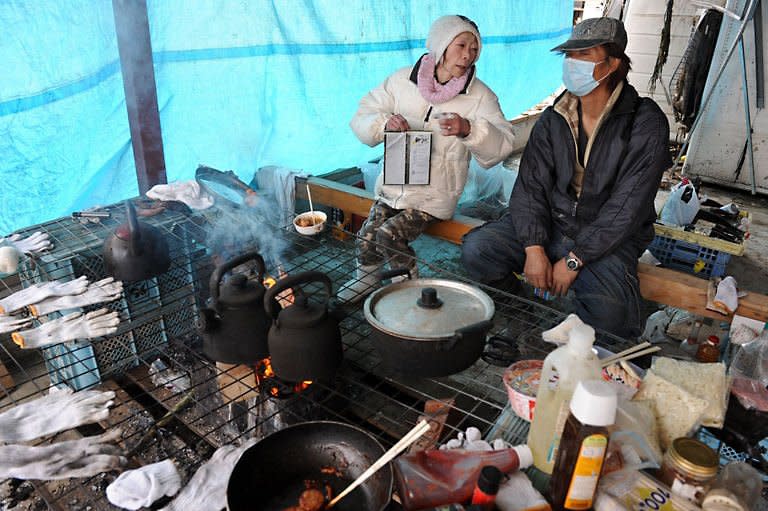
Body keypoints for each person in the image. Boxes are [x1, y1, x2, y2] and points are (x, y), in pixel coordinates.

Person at [461, 17, 671, 338]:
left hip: (608, 239)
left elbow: (626, 209)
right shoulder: (554, 118)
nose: (573, 63)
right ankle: (521, 317)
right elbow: (530, 186)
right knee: (479, 249)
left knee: (612, 313)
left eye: (584, 56)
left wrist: (574, 261)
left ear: (612, 64)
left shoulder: (645, 122)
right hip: (554, 222)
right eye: (569, 56)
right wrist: (533, 247)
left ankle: (582, 347)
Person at [338, 15, 516, 303]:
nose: (468, 55)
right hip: (395, 185)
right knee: (368, 235)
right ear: (441, 45)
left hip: (434, 196)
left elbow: (504, 143)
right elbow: (363, 114)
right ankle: (365, 280)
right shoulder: (401, 81)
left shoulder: (480, 96)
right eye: (461, 45)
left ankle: (407, 293)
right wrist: (385, 124)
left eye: (474, 48)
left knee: (390, 236)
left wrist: (469, 129)